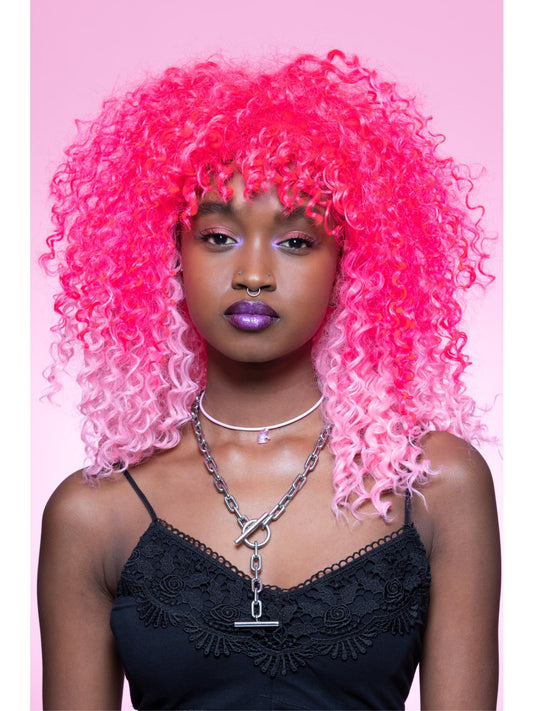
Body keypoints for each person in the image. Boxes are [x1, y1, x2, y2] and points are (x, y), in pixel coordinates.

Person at [37, 51, 500, 710]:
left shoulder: (432, 484)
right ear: (169, 256)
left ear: (349, 266)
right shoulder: (94, 514)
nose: (253, 274)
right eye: (217, 237)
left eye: (297, 241)